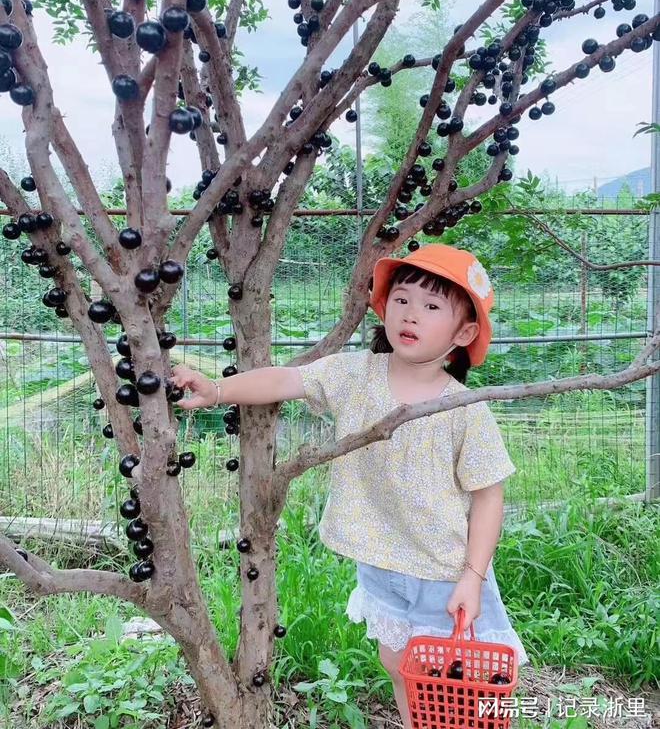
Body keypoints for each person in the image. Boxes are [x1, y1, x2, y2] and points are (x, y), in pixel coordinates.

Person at [172, 243, 529, 729]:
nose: (410, 315)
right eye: (401, 299)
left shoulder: (463, 409)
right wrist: (217, 390)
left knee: (455, 677)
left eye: (431, 307)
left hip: (442, 571)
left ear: (464, 332)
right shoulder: (355, 374)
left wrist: (472, 575)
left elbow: (489, 495)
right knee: (400, 666)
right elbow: (288, 380)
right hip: (381, 560)